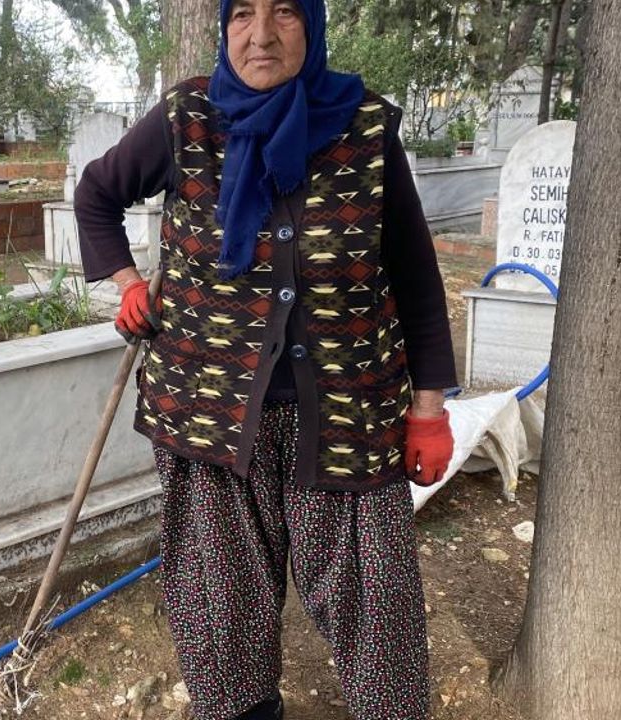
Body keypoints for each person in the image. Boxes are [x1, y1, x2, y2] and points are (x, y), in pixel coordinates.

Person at [74, 0, 457, 718]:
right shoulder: (188, 118)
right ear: (224, 27)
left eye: (284, 11)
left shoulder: (367, 127)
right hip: (208, 416)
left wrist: (429, 408)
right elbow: (97, 194)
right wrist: (127, 283)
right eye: (242, 13)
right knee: (222, 610)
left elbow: (414, 275)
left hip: (348, 417)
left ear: (311, 23)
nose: (261, 35)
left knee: (378, 609)